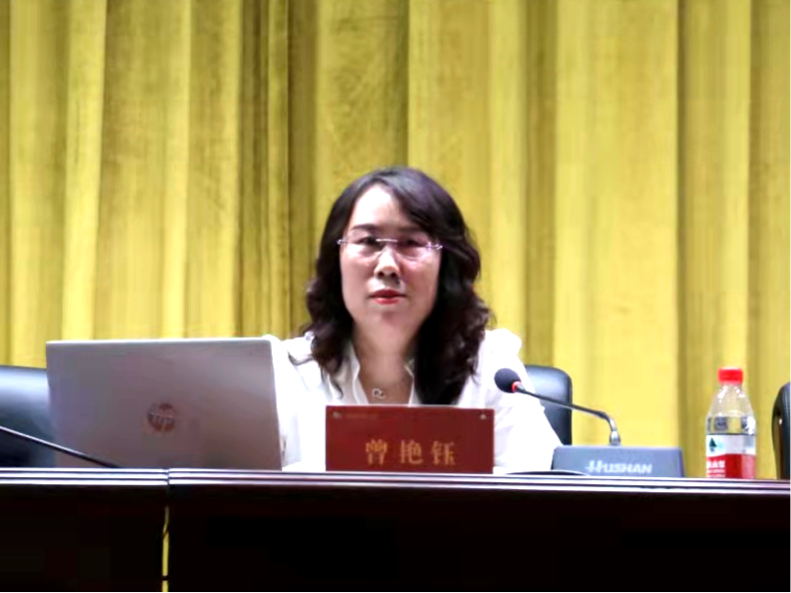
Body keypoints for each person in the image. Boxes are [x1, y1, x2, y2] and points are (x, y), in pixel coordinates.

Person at [265, 166, 561, 473]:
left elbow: (539, 488)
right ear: (335, 260)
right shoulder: (285, 375)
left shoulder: (491, 370)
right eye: (368, 241)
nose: (387, 265)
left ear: (446, 264)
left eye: (410, 244)